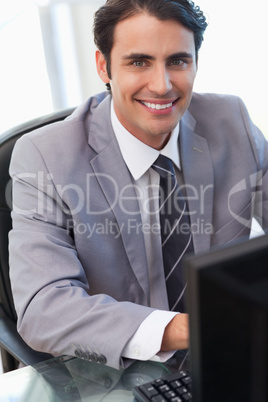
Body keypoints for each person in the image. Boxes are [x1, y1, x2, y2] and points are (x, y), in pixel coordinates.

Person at [9, 0, 268, 370]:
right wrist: (185, 328)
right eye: (139, 62)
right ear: (104, 66)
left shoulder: (232, 121)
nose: (161, 86)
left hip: (232, 361)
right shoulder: (45, 157)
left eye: (178, 61)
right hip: (115, 375)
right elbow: (44, 308)